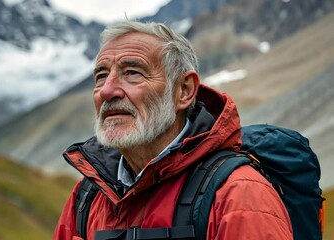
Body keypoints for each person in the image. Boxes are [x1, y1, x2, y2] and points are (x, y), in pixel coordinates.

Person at [53, 21, 293, 240]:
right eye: (101, 76)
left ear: (184, 91)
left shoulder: (239, 195)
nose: (107, 91)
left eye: (132, 73)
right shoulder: (86, 197)